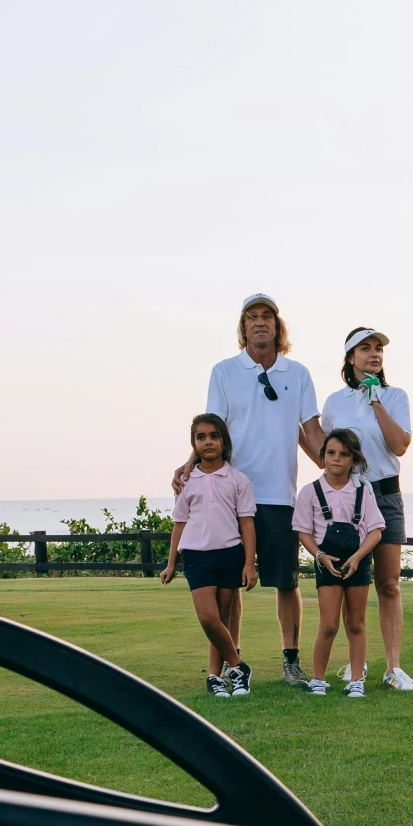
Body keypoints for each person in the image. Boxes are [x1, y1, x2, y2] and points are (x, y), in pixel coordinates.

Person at [191, 293, 324, 686]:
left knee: (287, 581)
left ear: (278, 326)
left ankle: (290, 663)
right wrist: (190, 462)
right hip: (232, 493)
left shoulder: (297, 373)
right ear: (243, 328)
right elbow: (211, 426)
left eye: (267, 316)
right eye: (252, 317)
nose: (260, 322)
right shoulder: (224, 371)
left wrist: (341, 466)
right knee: (230, 588)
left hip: (280, 494)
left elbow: (311, 431)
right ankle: (234, 665)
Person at [319, 326, 413, 691]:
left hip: (386, 494)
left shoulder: (395, 396)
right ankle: (355, 663)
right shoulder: (335, 402)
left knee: (388, 583)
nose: (373, 354)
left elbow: (400, 445)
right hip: (349, 497)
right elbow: (328, 455)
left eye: (378, 349)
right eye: (365, 349)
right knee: (350, 581)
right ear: (350, 358)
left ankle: (393, 667)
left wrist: (376, 401)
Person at [157, 414, 258, 697]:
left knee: (222, 622)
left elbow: (247, 523)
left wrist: (250, 564)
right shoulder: (186, 482)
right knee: (208, 618)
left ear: (224, 441)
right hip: (197, 557)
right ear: (194, 443)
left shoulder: (238, 480)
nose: (207, 441)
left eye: (213, 436)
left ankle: (215, 676)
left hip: (230, 554)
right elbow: (180, 523)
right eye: (200, 437)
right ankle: (239, 667)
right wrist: (171, 563)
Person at [294, 428, 386, 698]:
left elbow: (376, 530)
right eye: (331, 453)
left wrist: (358, 557)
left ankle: (357, 679)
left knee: (356, 623)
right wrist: (320, 556)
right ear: (323, 456)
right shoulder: (310, 492)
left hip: (358, 563)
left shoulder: (362, 490)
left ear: (354, 461)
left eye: (344, 455)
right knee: (329, 624)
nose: (336, 459)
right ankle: (318, 679)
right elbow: (303, 531)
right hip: (327, 564)